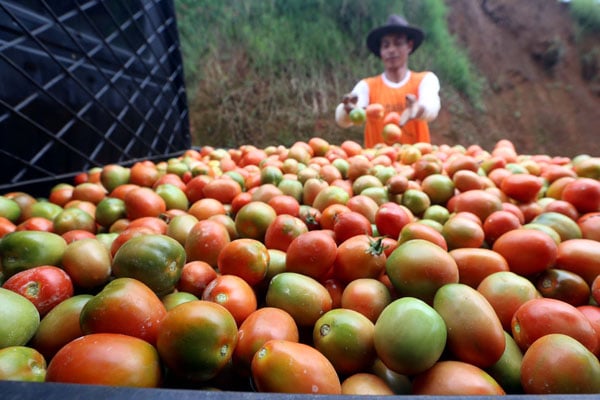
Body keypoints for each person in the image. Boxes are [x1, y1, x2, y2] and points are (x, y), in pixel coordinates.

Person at [335, 14, 441, 148]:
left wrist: (418, 109)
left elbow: (431, 106)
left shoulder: (425, 80)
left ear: (409, 46)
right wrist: (347, 110)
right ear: (380, 51)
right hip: (379, 165)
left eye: (398, 43)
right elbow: (344, 119)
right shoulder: (367, 86)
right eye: (386, 45)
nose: (391, 50)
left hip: (418, 165)